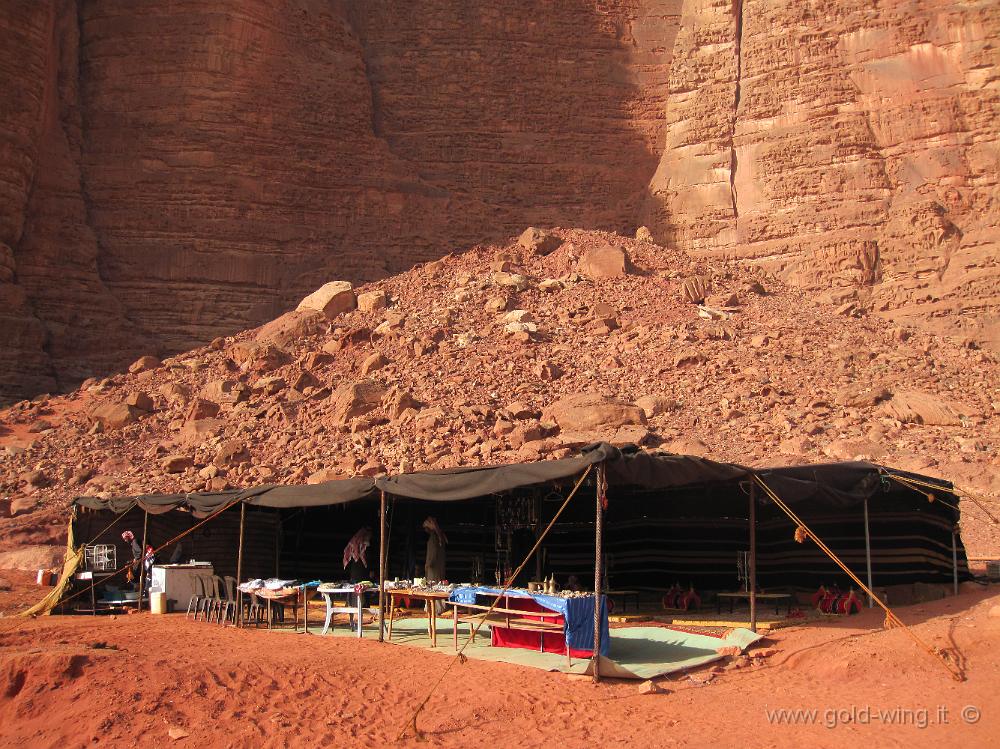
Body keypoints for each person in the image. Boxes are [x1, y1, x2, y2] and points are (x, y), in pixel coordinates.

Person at [422, 517, 447, 615]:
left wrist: (428, 565)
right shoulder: (438, 536)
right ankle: (436, 608)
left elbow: (433, 553)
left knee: (434, 586)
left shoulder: (433, 537)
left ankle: (435, 609)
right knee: (437, 586)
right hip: (437, 566)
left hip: (433, 567)